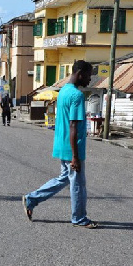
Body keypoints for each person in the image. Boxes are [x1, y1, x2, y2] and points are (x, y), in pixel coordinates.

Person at [21, 60, 98, 228]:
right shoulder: (77, 95)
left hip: (62, 145)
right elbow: (73, 126)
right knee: (77, 184)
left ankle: (31, 199)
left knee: (64, 179)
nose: (90, 79)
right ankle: (79, 218)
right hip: (72, 149)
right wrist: (75, 157)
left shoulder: (63, 91)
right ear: (80, 74)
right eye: (89, 75)